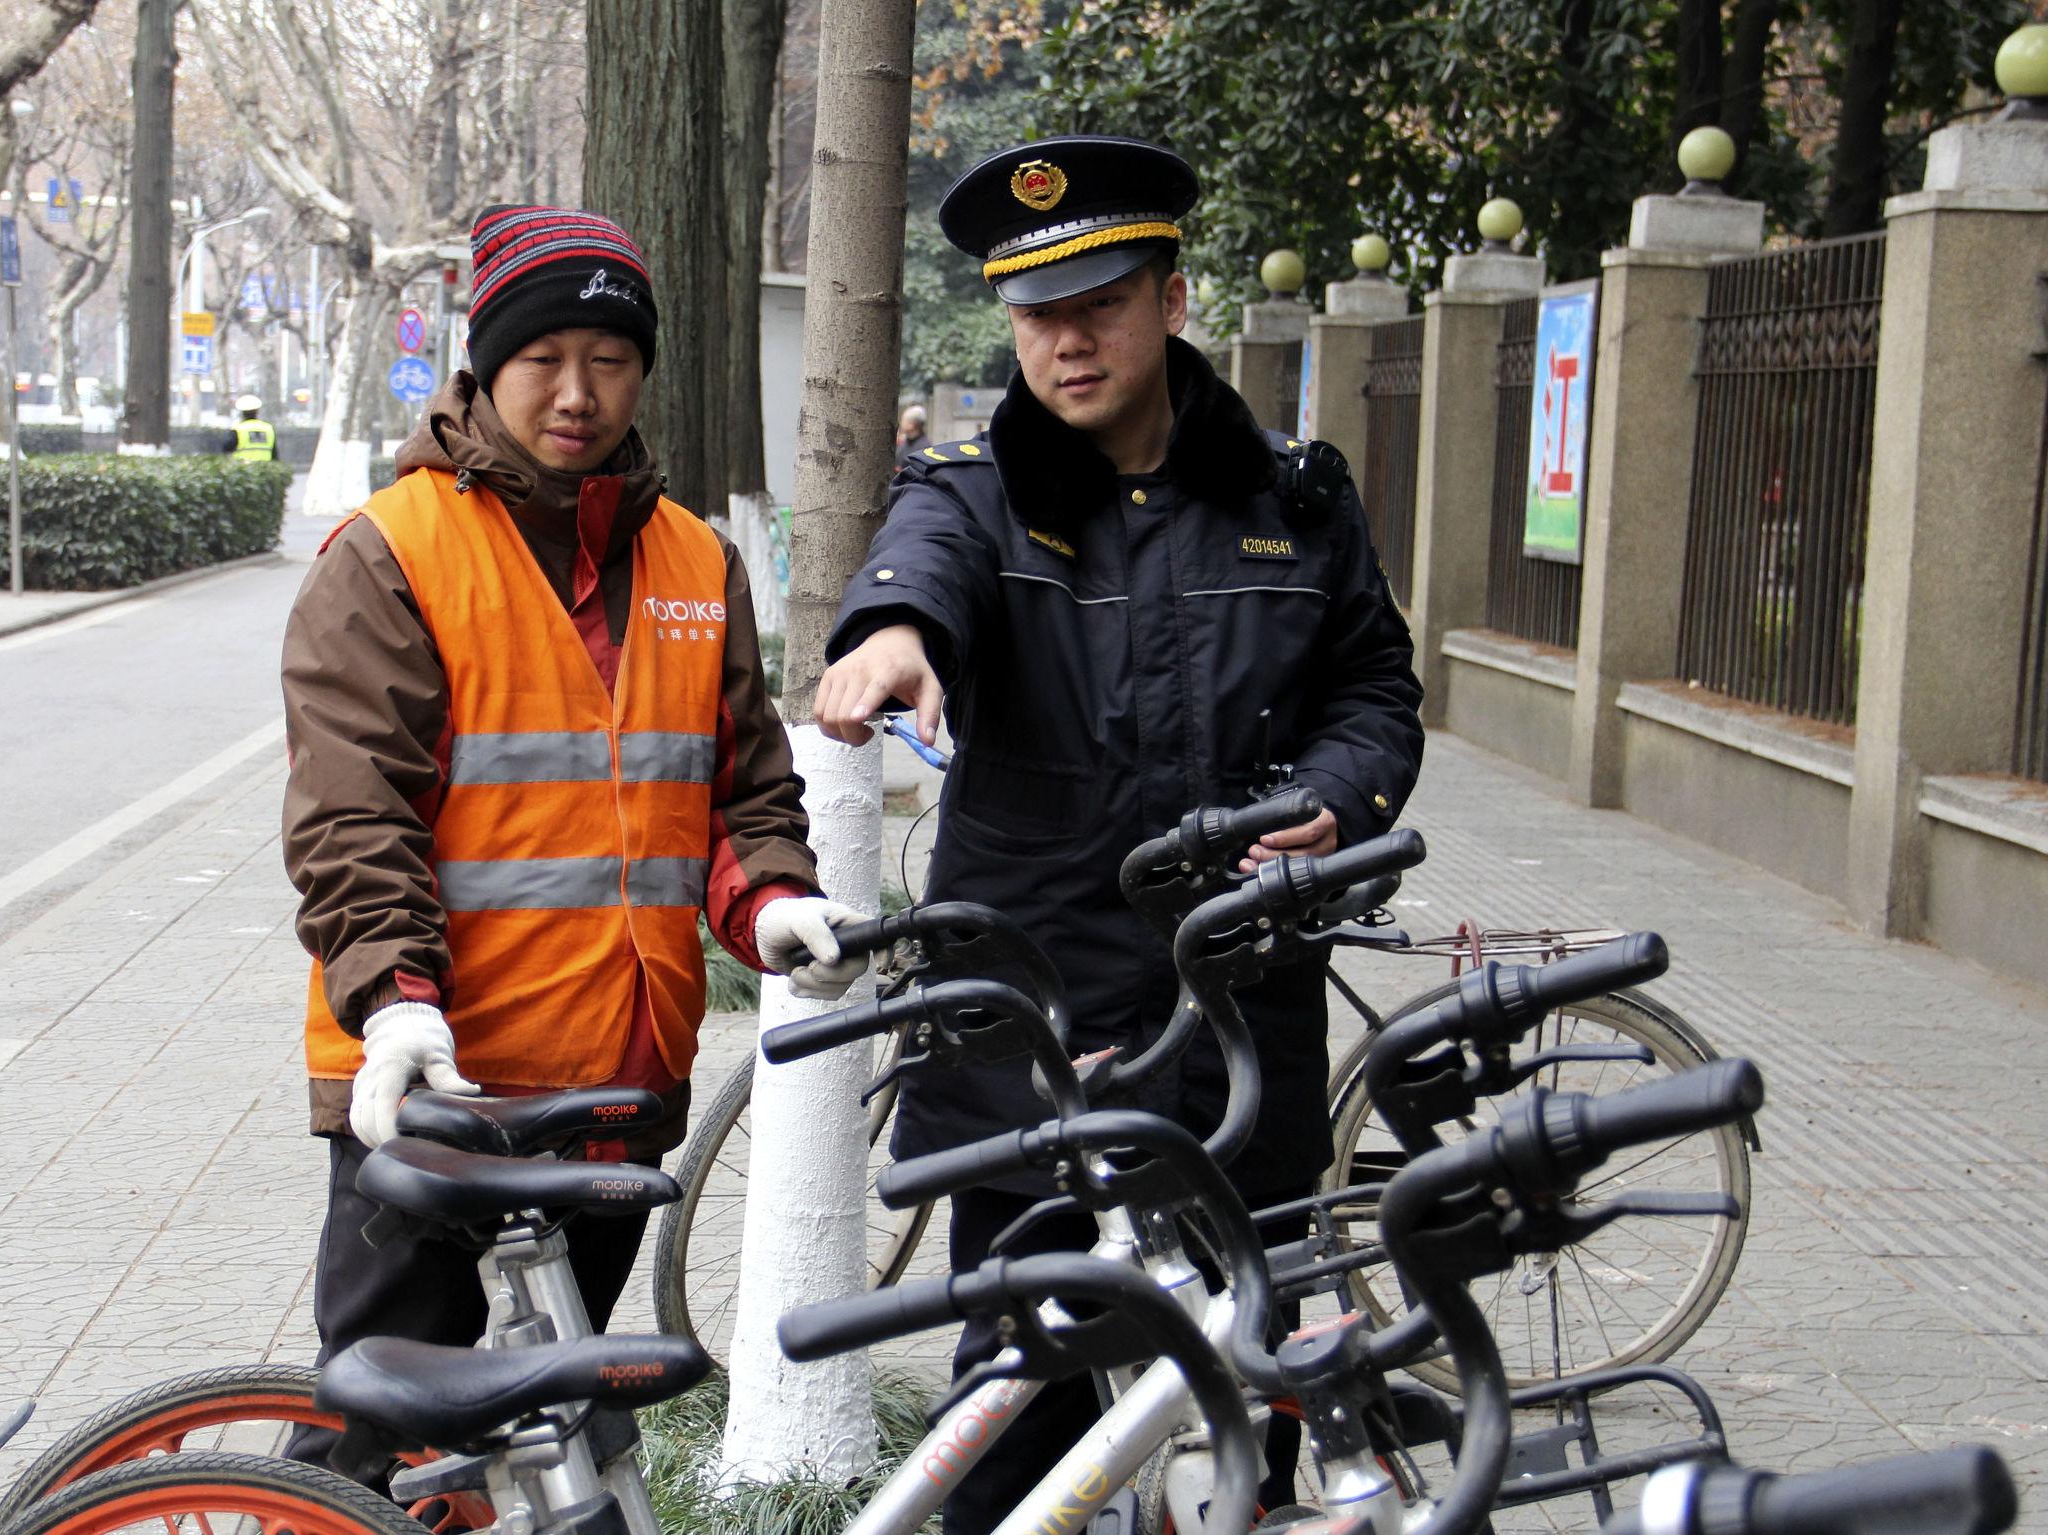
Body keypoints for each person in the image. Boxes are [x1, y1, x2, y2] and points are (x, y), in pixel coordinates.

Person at [812, 136, 1425, 1530]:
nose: (1067, 339)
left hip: (1236, 1026)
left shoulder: (1294, 496)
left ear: (1173, 298)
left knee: (1251, 1412)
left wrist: (1344, 789)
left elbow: (1375, 690)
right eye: (1037, 312)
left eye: (1099, 300)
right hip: (1025, 1031)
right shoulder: (972, 486)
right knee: (1017, 1420)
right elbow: (924, 571)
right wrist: (895, 636)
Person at [279, 204, 871, 1481]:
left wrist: (769, 898)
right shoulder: (392, 555)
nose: (576, 392)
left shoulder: (697, 560)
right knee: (381, 1430)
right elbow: (350, 813)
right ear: (485, 364)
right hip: (437, 1080)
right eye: (543, 355)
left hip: (615, 1082)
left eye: (608, 359)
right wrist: (392, 1000)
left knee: (555, 1439)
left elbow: (738, 788)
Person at [215, 394, 276, 460]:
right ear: (257, 411)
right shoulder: (268, 428)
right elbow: (275, 454)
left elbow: (226, 448)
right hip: (265, 468)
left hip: (243, 469)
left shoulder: (238, 429)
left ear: (243, 413)